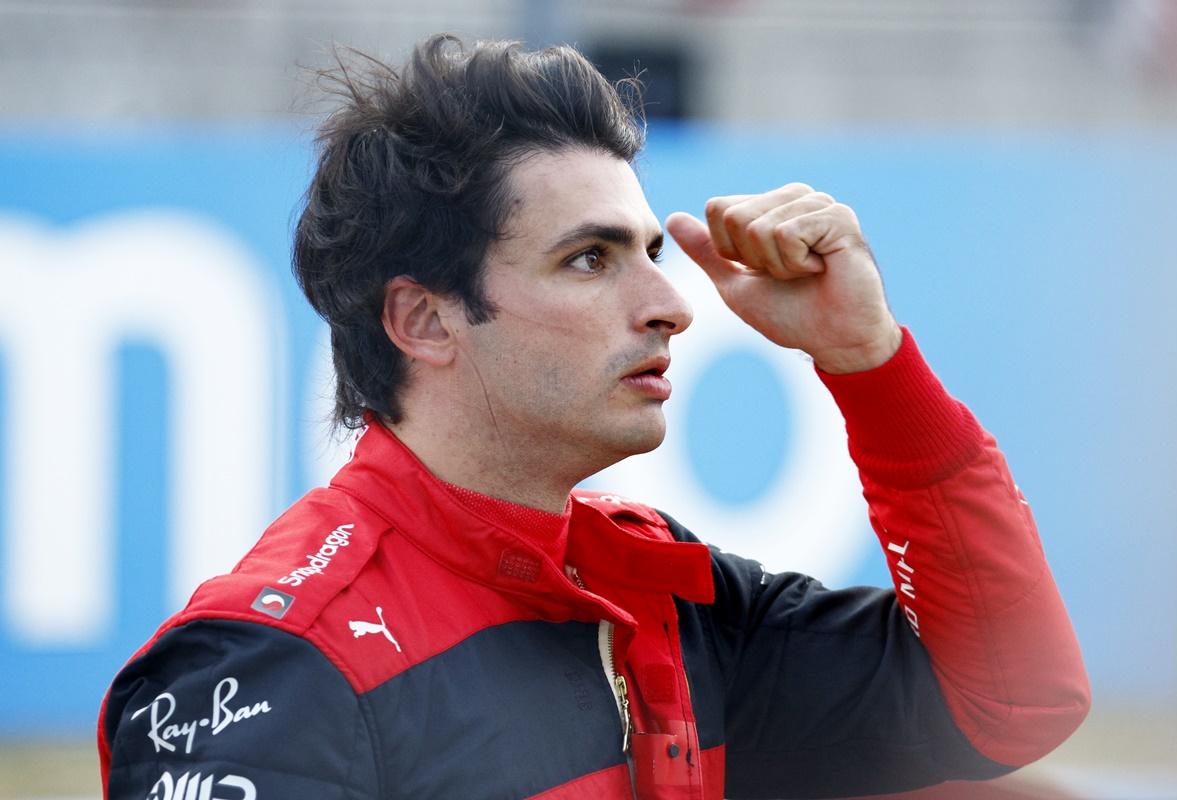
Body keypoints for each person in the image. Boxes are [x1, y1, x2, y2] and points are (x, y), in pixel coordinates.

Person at [98, 35, 1089, 800]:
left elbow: (1014, 698)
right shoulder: (272, 668)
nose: (671, 303)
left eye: (652, 249)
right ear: (424, 319)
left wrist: (868, 360)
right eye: (591, 258)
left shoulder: (665, 596)